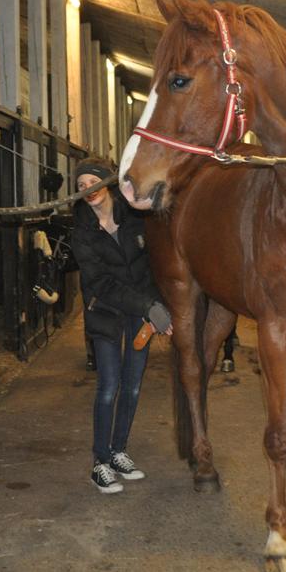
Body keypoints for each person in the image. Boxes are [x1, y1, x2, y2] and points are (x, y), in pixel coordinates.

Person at [69, 157, 172, 494]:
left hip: (139, 314)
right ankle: (100, 461)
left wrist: (159, 305)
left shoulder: (135, 219)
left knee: (133, 386)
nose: (87, 190)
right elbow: (101, 284)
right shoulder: (82, 232)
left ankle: (118, 451)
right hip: (106, 313)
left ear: (107, 184)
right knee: (110, 386)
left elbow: (155, 263)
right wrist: (149, 306)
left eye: (92, 182)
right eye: (80, 185)